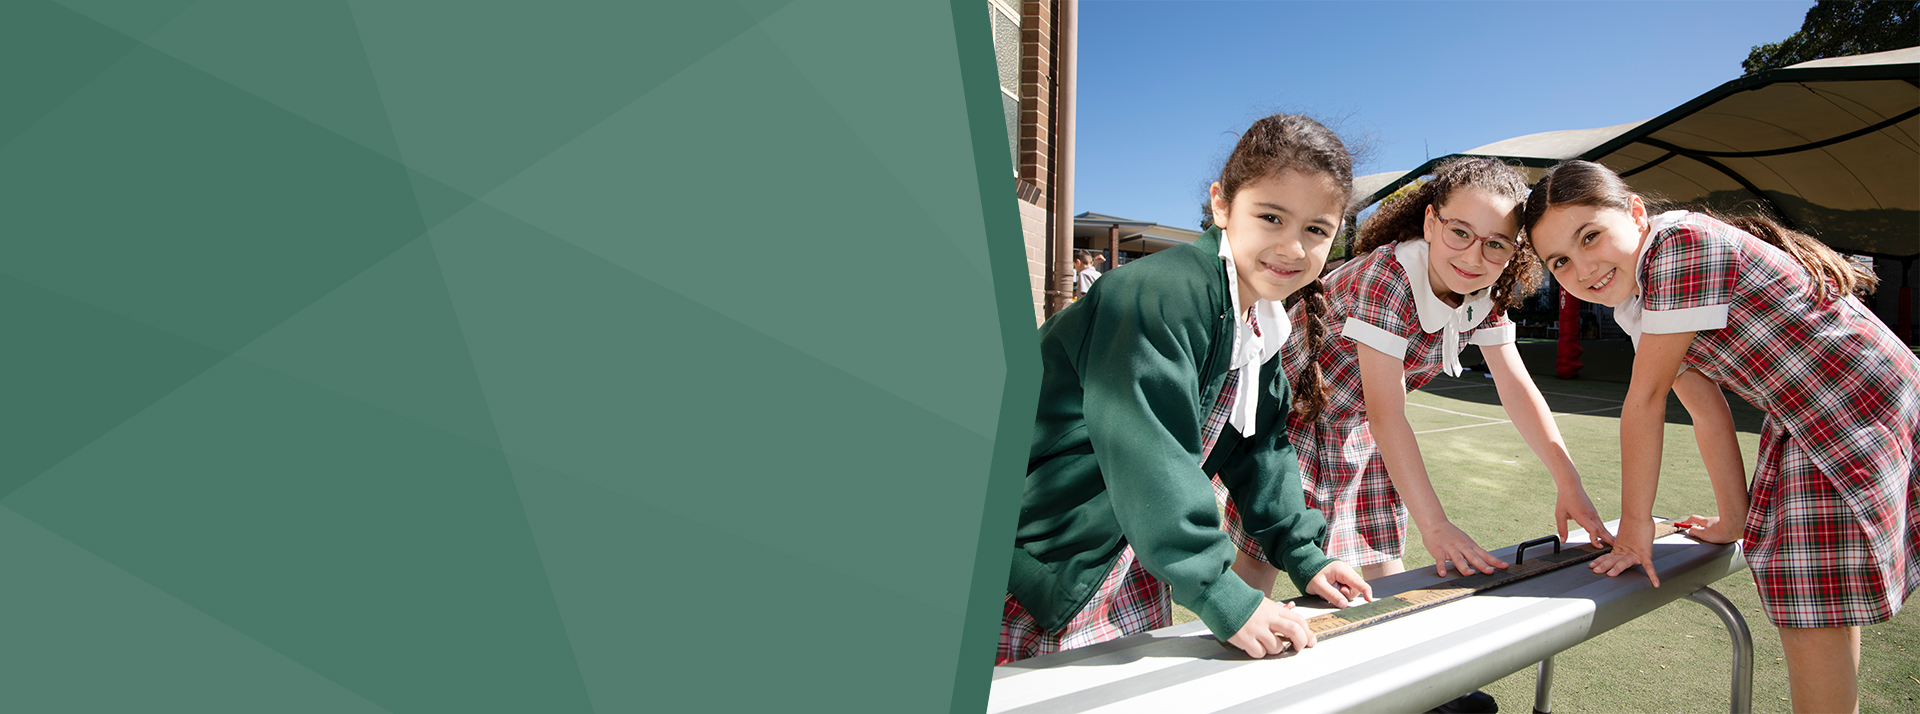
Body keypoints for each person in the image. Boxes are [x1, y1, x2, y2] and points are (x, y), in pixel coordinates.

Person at [1524, 160, 1918, 714]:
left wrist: (1636, 528)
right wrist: (1733, 522)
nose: (1582, 266)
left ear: (1636, 214)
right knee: (1817, 600)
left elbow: (1645, 400)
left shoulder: (1680, 245)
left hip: (1848, 399)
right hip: (1816, 407)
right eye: (1559, 261)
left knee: (1807, 602)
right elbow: (1708, 414)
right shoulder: (1641, 303)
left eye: (1591, 236)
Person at [1003, 114, 1372, 665]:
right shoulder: (1161, 293)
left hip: (1129, 553)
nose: (1293, 248)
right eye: (1271, 216)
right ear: (1222, 204)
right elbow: (1147, 452)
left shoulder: (1259, 324)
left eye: (1316, 229)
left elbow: (1260, 451)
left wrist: (1305, 554)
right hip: (1045, 554)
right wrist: (1222, 593)